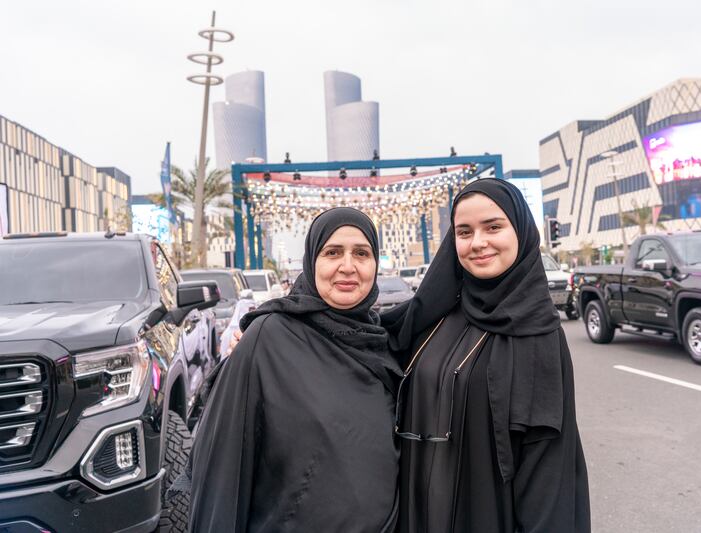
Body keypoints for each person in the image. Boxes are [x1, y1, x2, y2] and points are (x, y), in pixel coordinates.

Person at [383, 178, 591, 532]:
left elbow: (547, 467)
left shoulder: (536, 330)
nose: (478, 243)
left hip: (486, 514)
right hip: (415, 513)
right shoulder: (434, 317)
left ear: (521, 232)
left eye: (493, 227)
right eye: (464, 232)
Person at [187, 207, 402, 532]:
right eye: (332, 253)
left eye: (362, 253)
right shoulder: (269, 339)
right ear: (312, 260)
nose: (348, 266)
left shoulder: (384, 342)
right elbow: (222, 465)